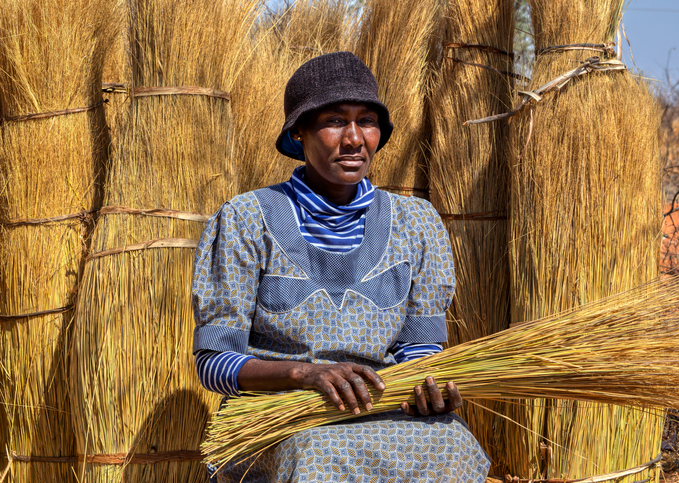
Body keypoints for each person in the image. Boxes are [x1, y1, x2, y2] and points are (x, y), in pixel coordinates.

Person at [192, 51, 491, 482]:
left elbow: (421, 352)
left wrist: (426, 388)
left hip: (385, 409)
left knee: (454, 447)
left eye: (366, 121)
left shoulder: (417, 223)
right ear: (299, 133)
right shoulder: (246, 220)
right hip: (283, 417)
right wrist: (304, 374)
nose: (354, 138)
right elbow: (213, 361)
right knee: (321, 454)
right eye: (334, 121)